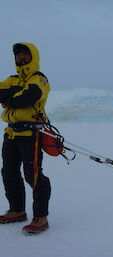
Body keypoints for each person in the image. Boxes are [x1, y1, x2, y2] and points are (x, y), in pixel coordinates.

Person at [0, 43, 51, 234]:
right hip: (11, 133)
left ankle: (41, 217)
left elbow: (30, 96)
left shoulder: (40, 79)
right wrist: (14, 95)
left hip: (31, 134)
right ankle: (17, 210)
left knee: (33, 175)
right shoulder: (12, 79)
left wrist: (9, 99)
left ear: (33, 57)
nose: (20, 59)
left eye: (24, 56)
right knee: (8, 173)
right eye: (18, 56)